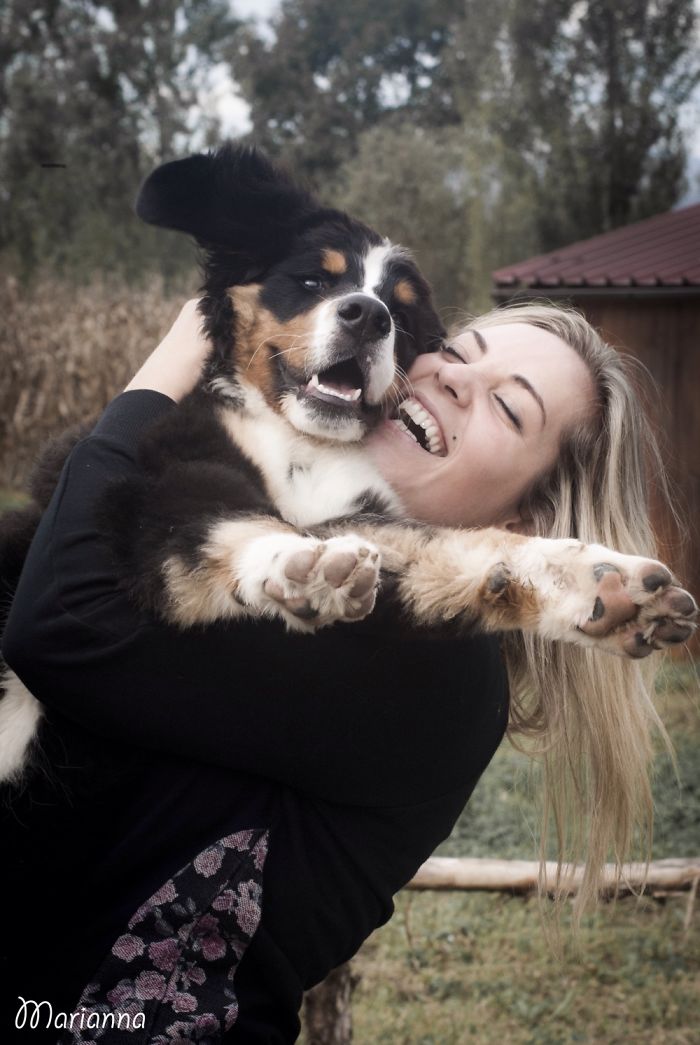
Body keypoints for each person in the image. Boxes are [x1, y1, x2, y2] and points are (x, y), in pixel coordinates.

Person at [0, 299, 678, 1042]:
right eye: (457, 350)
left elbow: (61, 620)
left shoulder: (437, 670)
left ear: (523, 522)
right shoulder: (271, 524)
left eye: (509, 408)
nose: (454, 378)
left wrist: (167, 368)